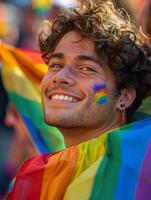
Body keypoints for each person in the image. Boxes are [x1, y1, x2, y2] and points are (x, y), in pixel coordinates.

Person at [7, 0, 151, 199]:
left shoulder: (142, 164)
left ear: (124, 97)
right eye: (56, 65)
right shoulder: (33, 179)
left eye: (86, 69)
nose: (60, 76)